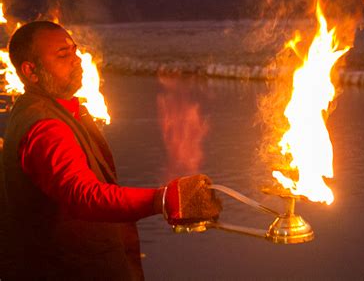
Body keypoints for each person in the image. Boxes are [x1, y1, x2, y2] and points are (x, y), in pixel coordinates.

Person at [0, 21, 221, 280]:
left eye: (75, 50)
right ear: (31, 71)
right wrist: (162, 200)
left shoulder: (54, 111)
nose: (77, 60)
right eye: (63, 55)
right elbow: (83, 196)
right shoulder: (45, 127)